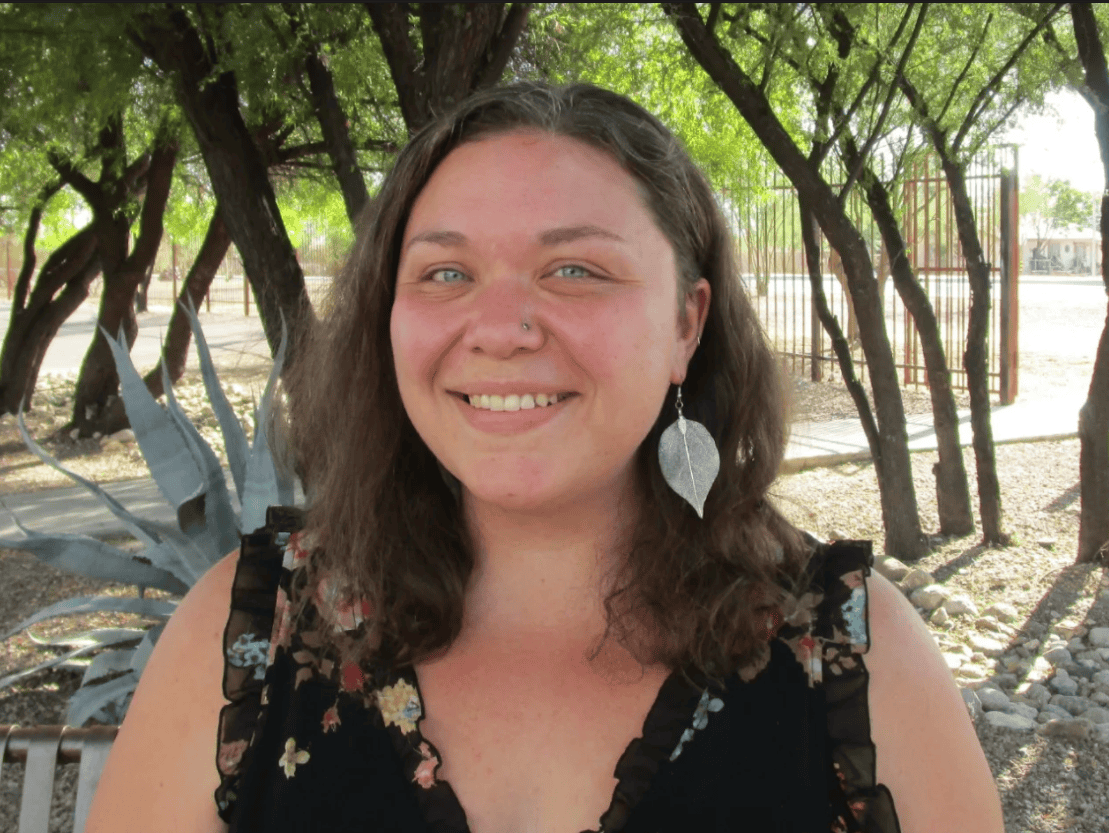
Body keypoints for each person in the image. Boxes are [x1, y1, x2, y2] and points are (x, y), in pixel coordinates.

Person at [87, 82, 1002, 833]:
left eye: (574, 270)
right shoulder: (250, 639)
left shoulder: (848, 657)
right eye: (446, 272)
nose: (501, 329)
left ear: (687, 323)